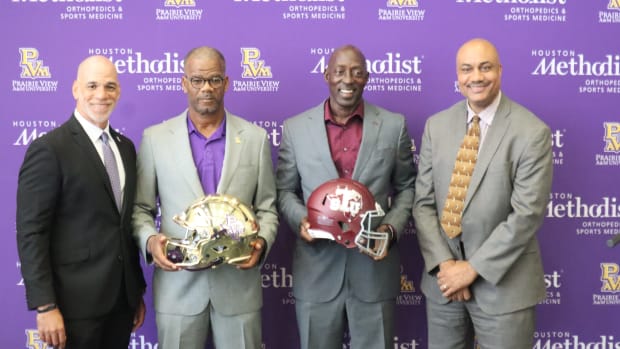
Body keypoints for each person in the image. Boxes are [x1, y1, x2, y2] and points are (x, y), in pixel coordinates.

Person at [132, 46, 278, 349]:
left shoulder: (255, 138)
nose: (206, 88)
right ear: (184, 83)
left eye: (214, 80)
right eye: (197, 80)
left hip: (238, 288)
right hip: (178, 288)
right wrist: (149, 240)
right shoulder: (155, 139)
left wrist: (261, 242)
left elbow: (267, 209)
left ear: (226, 83)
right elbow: (141, 209)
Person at [413, 38, 553, 349]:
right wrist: (447, 266)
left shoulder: (531, 132)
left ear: (500, 71)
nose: (476, 77)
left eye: (485, 67)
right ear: (458, 76)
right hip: (443, 286)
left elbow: (527, 215)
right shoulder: (436, 126)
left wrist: (471, 270)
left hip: (503, 287)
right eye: (467, 69)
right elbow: (422, 204)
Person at [276, 44, 416, 349]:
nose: (347, 79)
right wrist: (301, 219)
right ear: (327, 75)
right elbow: (284, 190)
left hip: (374, 270)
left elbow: (408, 188)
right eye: (339, 71)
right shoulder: (296, 129)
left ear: (367, 77)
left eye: (356, 72)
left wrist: (389, 229)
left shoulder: (393, 126)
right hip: (316, 270)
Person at [16, 55, 146, 349]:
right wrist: (45, 306)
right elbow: (31, 232)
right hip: (73, 308)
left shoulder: (125, 148)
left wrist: (134, 291)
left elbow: (121, 227)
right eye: (92, 85)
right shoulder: (49, 149)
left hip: (121, 304)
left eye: (110, 86)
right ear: (75, 89)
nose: (101, 94)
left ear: (119, 91)